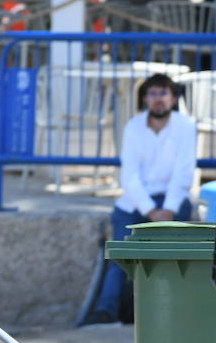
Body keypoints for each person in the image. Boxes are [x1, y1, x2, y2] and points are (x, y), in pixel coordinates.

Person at [82, 74, 197, 325]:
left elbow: (184, 173)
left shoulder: (186, 126)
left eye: (163, 93)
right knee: (119, 258)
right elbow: (129, 175)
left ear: (174, 98)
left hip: (173, 202)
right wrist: (151, 210)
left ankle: (172, 314)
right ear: (144, 98)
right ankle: (106, 311)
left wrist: (167, 209)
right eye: (153, 94)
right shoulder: (133, 126)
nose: (158, 99)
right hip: (134, 204)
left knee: (176, 261)